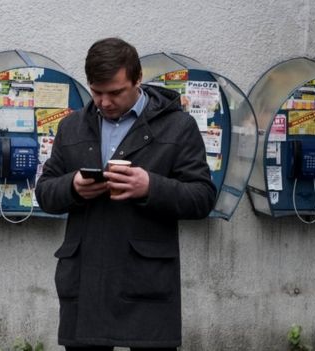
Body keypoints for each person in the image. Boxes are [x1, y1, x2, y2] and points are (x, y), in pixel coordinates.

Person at [35, 37, 216, 350]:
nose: (104, 102)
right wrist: (73, 187)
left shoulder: (178, 127)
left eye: (115, 92)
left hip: (145, 282)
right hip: (86, 280)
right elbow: (45, 192)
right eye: (97, 92)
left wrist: (150, 187)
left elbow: (202, 197)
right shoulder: (72, 127)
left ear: (138, 79)